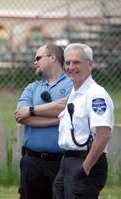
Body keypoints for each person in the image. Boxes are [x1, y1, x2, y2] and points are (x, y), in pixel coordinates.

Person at [53, 43, 114, 199]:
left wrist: (86, 166)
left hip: (85, 161)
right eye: (67, 62)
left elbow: (104, 134)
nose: (71, 67)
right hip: (67, 161)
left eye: (76, 62)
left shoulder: (95, 95)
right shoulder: (75, 92)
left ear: (90, 64)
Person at [14, 44, 73, 199]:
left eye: (38, 58)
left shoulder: (72, 84)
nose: (35, 62)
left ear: (52, 58)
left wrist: (32, 110)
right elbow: (22, 117)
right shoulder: (32, 87)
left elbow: (68, 106)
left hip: (61, 162)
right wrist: (58, 119)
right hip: (31, 162)